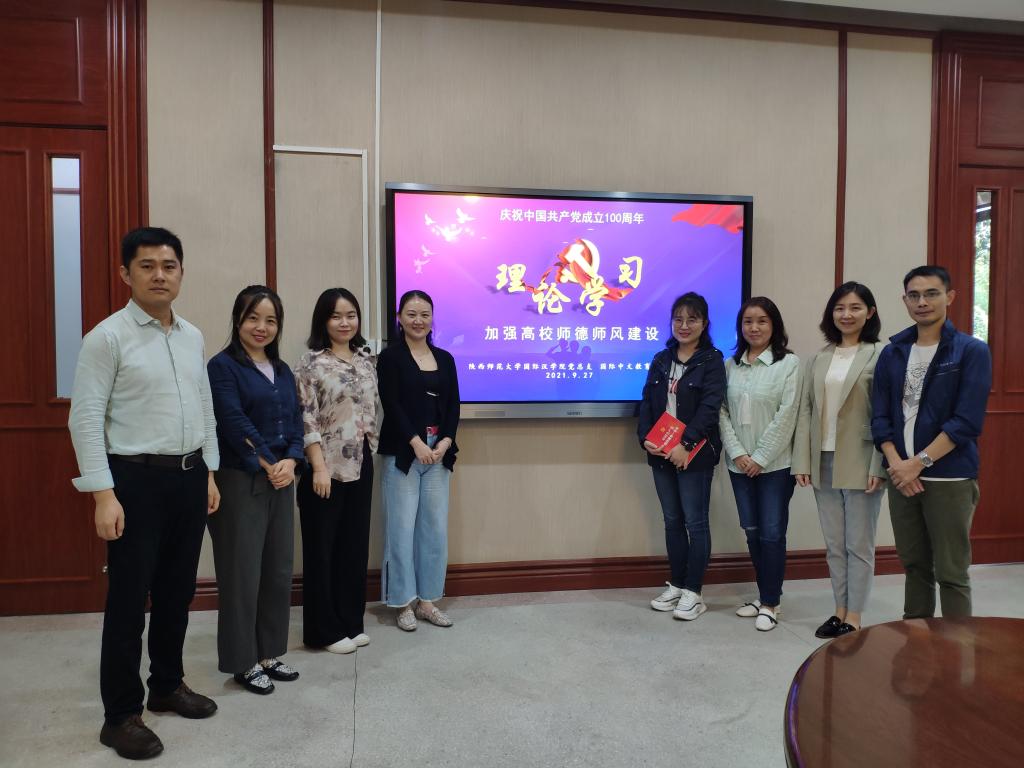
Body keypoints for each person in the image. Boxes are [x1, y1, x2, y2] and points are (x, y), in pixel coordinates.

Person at [68, 227, 220, 761]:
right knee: (130, 601)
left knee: (178, 592)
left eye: (169, 265)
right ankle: (119, 715)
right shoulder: (106, 338)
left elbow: (203, 406)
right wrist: (102, 494)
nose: (160, 275)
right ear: (125, 273)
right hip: (133, 482)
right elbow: (85, 419)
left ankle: (167, 685)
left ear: (181, 272)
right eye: (147, 265)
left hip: (188, 477)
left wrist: (208, 471)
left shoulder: (192, 336)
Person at [871, 265, 991, 619]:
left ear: (949, 297)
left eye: (931, 294)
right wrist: (897, 465)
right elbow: (880, 417)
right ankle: (918, 642)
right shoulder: (893, 352)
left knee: (951, 573)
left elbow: (966, 422)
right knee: (914, 566)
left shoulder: (971, 351)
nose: (922, 302)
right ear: (905, 300)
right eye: (914, 295)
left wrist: (917, 463)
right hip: (901, 476)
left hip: (949, 477)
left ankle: (955, 647)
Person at [206, 285, 304, 693]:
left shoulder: (282, 370)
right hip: (241, 480)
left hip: (282, 478)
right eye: (253, 318)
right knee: (241, 574)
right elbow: (232, 422)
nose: (261, 327)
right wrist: (267, 461)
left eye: (270, 320)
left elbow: (296, 421)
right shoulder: (222, 366)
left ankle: (269, 653)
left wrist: (291, 461)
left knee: (277, 571)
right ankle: (243, 661)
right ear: (238, 320)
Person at [792, 282, 886, 638]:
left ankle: (855, 617)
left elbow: (885, 414)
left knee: (857, 544)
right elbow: (806, 411)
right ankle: (839, 610)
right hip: (824, 459)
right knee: (834, 544)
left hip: (862, 458)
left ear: (870, 313)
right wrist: (802, 461)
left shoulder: (880, 354)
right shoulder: (820, 357)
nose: (846, 314)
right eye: (839, 308)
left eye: (855, 307)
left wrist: (879, 465)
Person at [295, 288, 378, 654]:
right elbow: (306, 417)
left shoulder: (366, 359)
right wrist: (317, 466)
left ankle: (350, 622)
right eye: (336, 316)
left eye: (351, 315)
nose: (345, 322)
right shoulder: (311, 363)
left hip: (361, 460)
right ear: (323, 321)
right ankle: (323, 631)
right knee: (322, 549)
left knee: (354, 546)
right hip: (324, 466)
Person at [637, 292, 726, 620]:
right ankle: (676, 584)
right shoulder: (662, 359)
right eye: (678, 319)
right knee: (672, 521)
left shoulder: (711, 360)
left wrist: (685, 444)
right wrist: (646, 439)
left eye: (692, 319)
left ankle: (694, 591)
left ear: (704, 323)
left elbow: (710, 407)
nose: (684, 325)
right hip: (661, 451)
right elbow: (647, 402)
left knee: (695, 522)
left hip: (694, 454)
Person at [378, 290, 461, 631]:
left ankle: (427, 601)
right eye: (411, 314)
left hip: (438, 454)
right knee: (400, 530)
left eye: (425, 314)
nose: (418, 320)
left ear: (432, 318)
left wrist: (445, 441)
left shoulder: (445, 358)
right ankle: (402, 602)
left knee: (434, 530)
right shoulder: (390, 357)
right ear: (399, 317)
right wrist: (415, 443)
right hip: (403, 453)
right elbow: (391, 403)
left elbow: (453, 404)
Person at [719, 296, 801, 632]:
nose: (754, 327)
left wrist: (760, 458)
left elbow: (788, 415)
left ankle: (771, 602)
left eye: (762, 321)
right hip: (738, 464)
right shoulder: (730, 365)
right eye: (748, 321)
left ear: (774, 325)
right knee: (752, 532)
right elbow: (721, 412)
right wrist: (739, 453)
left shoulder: (789, 364)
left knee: (771, 534)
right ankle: (764, 595)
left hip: (775, 466)